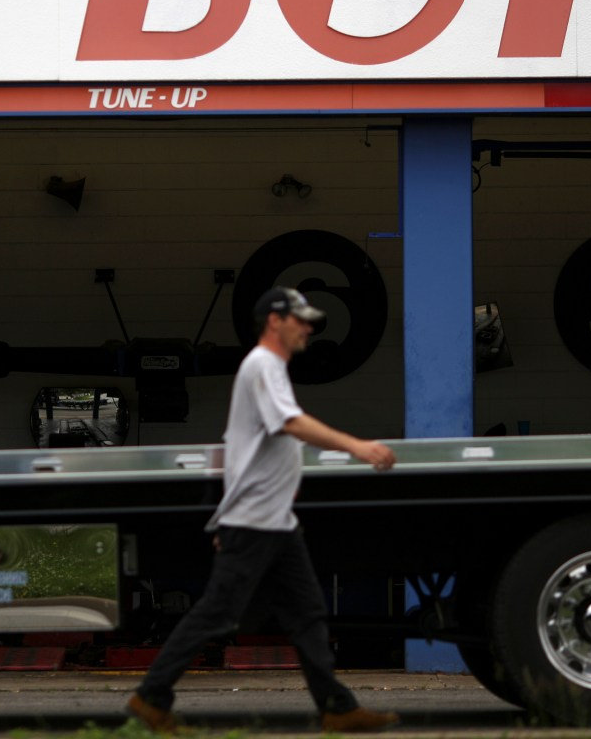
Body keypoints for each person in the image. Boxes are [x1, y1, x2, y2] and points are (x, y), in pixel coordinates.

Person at [127, 286, 400, 734]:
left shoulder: (268, 369)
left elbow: (241, 447)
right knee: (216, 612)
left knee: (309, 614)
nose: (308, 328)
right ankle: (151, 697)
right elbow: (290, 423)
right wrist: (358, 446)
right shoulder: (262, 365)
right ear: (275, 321)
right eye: (301, 319)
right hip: (255, 524)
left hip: (273, 523)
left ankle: (337, 707)